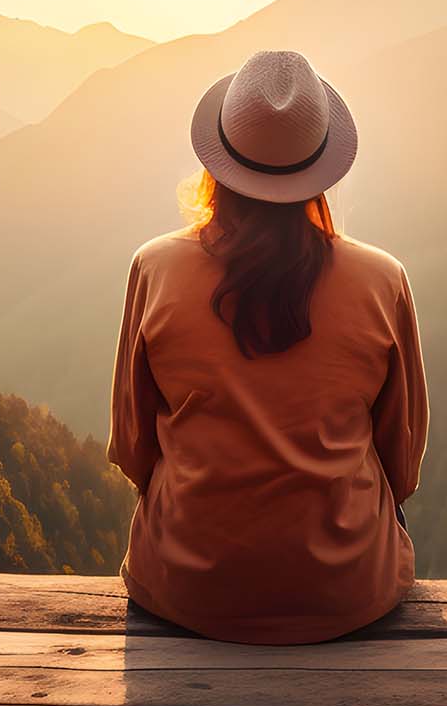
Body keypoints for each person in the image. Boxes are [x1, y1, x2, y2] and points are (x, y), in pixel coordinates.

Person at [107, 48, 429, 644]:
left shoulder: (153, 269)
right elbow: (401, 460)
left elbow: (133, 448)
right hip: (349, 590)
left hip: (186, 587)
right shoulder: (384, 280)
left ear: (218, 162)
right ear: (322, 168)